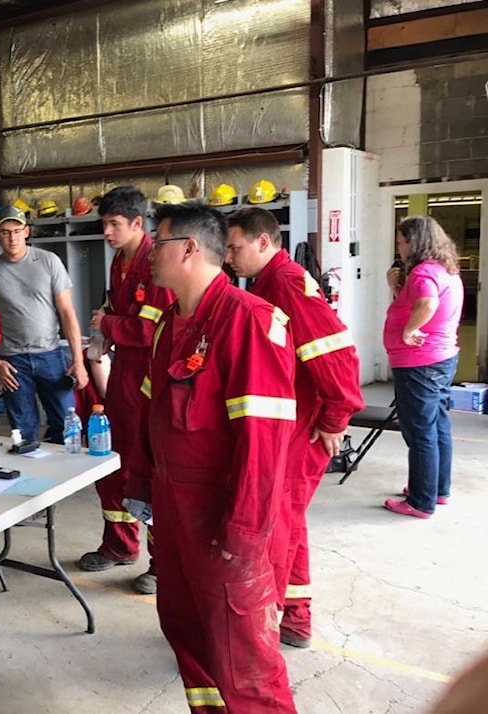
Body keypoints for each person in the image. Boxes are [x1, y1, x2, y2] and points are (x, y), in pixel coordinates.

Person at [128, 202, 298, 712]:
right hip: (174, 513)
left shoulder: (249, 322)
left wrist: (244, 533)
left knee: (245, 660)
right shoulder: (168, 326)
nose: (149, 257)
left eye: (156, 243)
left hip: (221, 519)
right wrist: (141, 486)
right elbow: (152, 416)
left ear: (188, 249)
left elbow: (264, 444)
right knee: (188, 636)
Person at [226, 206, 364, 649]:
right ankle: (296, 617)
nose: (229, 257)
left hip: (303, 429)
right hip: (294, 425)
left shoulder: (286, 283)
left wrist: (334, 418)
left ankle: (267, 627)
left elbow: (335, 352)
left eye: (235, 247)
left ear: (263, 242)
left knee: (277, 526)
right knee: (289, 522)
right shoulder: (268, 283)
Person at [77, 186, 172, 595]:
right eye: (104, 224)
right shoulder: (120, 261)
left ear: (138, 223)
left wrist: (108, 327)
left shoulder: (156, 264)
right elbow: (120, 315)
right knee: (114, 463)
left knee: (148, 472)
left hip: (151, 383)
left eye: (114, 224)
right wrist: (104, 335)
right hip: (123, 380)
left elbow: (153, 329)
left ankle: (161, 565)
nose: (108, 233)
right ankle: (119, 545)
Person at [0, 205, 88, 443]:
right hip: (13, 361)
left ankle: (64, 475)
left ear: (27, 232)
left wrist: (78, 361)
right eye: (6, 232)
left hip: (50, 355)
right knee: (22, 429)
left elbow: (67, 312)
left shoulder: (49, 262)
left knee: (66, 423)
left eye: (17, 231)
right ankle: (31, 477)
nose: (12, 238)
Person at [382, 215, 463, 518]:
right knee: (437, 424)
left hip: (420, 363)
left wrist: (407, 332)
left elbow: (427, 304)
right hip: (440, 358)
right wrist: (395, 287)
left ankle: (420, 500)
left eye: (402, 242)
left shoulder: (422, 273)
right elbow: (414, 304)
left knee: (419, 432)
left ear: (414, 243)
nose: (400, 248)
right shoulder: (445, 269)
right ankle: (436, 489)